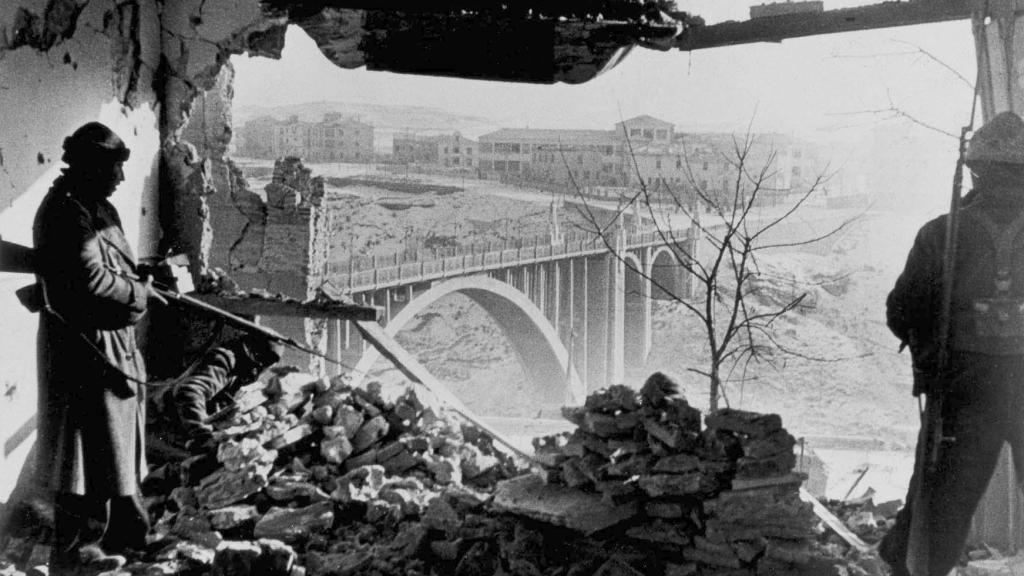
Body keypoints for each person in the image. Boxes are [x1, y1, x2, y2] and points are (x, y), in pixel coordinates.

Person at [880, 110, 1024, 576]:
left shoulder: (942, 234)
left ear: (975, 170)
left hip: (963, 392)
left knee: (939, 511)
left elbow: (902, 312)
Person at [33, 122, 164, 574]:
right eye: (114, 168)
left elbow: (118, 267)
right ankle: (75, 555)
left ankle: (124, 534)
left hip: (111, 344)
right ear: (90, 167)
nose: (122, 178)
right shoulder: (66, 213)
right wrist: (140, 294)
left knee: (116, 445)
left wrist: (145, 276)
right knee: (84, 454)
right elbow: (90, 282)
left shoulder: (99, 209)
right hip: (82, 347)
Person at [156, 334, 283, 454]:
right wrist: (202, 434)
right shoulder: (226, 360)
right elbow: (191, 392)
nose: (261, 366)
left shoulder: (245, 372)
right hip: (165, 424)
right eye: (261, 357)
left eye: (268, 362)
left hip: (184, 428)